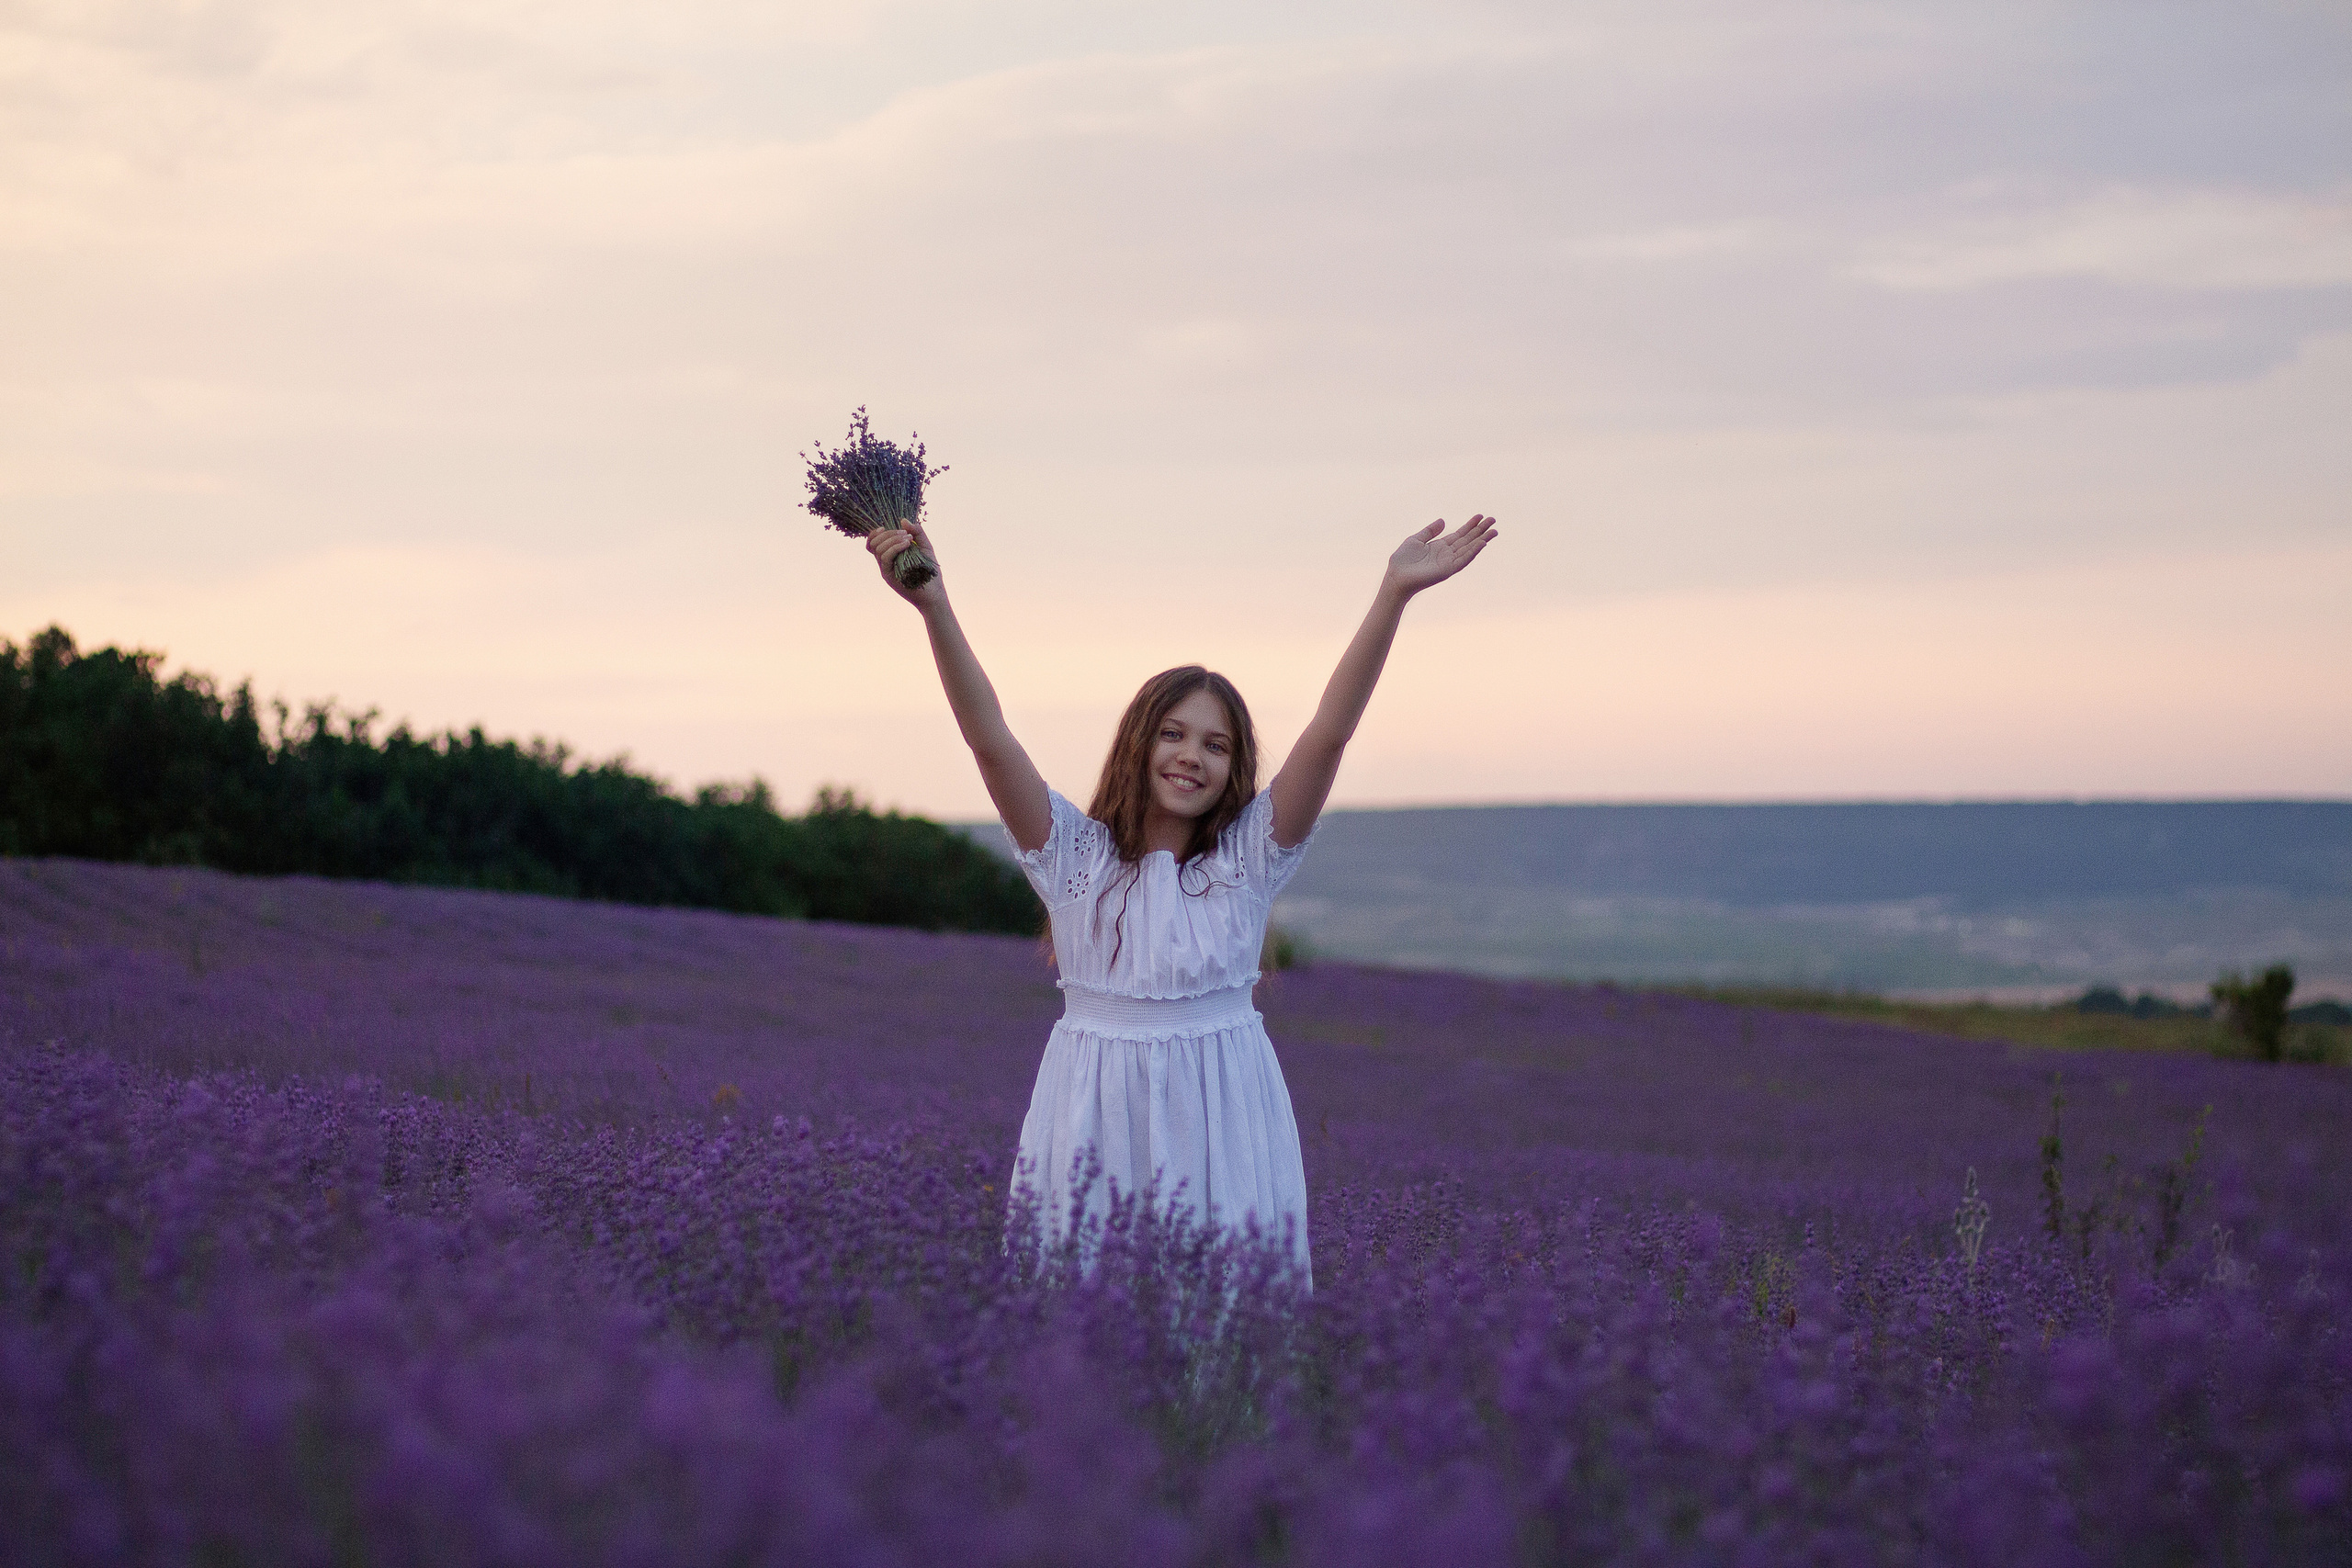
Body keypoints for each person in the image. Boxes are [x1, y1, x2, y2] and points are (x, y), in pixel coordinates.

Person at [865, 511, 1498, 1281]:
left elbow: (1329, 733)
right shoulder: (1077, 861)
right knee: (1087, 1322)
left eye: (1216, 744)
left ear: (1235, 770)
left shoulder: (1246, 866)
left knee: (1223, 1327)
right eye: (1174, 733)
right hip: (1091, 1114)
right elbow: (989, 736)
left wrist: (1392, 596)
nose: (1191, 755)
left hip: (1224, 1119)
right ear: (1139, 742)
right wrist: (934, 606)